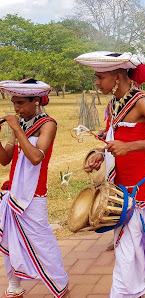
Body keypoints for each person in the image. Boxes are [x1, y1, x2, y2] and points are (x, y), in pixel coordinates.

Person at [75, 51, 145, 297]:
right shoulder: (113, 104)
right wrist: (102, 152)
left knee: (126, 243)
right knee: (128, 238)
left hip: (136, 181)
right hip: (117, 179)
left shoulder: (142, 101)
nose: (97, 82)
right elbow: (117, 138)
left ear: (118, 77)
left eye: (100, 77)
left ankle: (123, 292)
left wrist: (129, 147)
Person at [0, 79, 68, 298]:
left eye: (21, 103)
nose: (16, 108)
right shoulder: (22, 124)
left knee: (43, 241)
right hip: (14, 192)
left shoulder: (48, 124)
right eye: (14, 103)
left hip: (34, 194)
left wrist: (17, 129)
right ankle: (14, 285)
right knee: (10, 238)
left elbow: (37, 157)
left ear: (36, 101)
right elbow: (5, 159)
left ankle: (60, 284)